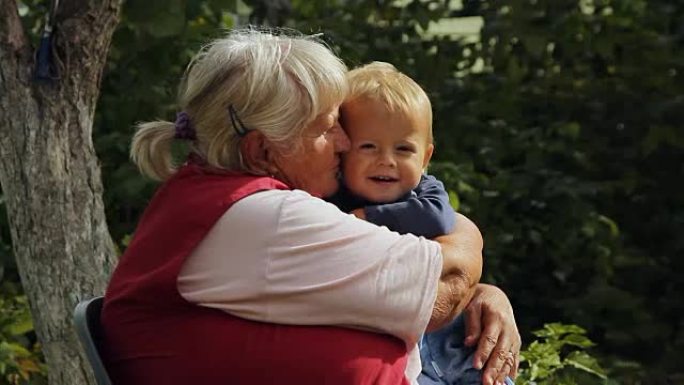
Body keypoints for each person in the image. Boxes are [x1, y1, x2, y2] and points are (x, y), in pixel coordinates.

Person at [101, 28, 520, 385]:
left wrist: (483, 290)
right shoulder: (266, 218)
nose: (343, 142)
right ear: (262, 149)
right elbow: (439, 292)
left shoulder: (212, 198)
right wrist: (467, 236)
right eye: (326, 126)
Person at [329, 62, 515, 385]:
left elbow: (436, 216)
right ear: (342, 151)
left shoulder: (424, 190)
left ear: (426, 157)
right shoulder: (330, 199)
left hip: (454, 342)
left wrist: (363, 219)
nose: (386, 160)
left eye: (403, 149)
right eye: (368, 146)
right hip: (404, 355)